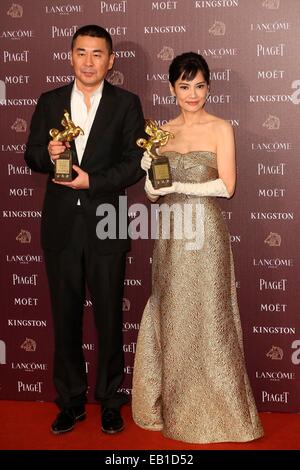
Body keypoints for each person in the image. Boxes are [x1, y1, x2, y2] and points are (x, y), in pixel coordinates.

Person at [132, 52, 264, 443]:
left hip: (205, 231)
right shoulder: (159, 132)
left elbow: (227, 186)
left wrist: (178, 186)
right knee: (172, 314)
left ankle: (222, 414)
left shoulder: (221, 128)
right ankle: (175, 406)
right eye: (184, 85)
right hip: (171, 233)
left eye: (200, 85)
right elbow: (154, 195)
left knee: (210, 315)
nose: (193, 93)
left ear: (209, 87)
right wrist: (151, 181)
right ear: (171, 88)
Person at [24, 24, 145, 435]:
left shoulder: (128, 104)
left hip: (106, 224)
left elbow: (134, 163)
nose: (89, 61)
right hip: (61, 228)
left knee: (111, 317)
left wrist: (91, 181)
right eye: (81, 52)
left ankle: (111, 400)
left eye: (97, 54)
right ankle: (71, 401)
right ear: (70, 56)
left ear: (111, 61)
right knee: (65, 318)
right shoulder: (50, 101)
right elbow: (32, 154)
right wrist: (49, 152)